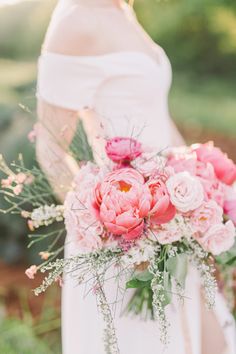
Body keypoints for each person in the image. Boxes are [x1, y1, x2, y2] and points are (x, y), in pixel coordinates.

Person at [36, 1, 236, 353]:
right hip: (125, 240)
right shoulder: (76, 18)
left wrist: (202, 184)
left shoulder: (121, 8)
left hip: (173, 218)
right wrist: (109, 232)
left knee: (210, 341)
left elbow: (158, 118)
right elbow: (50, 148)